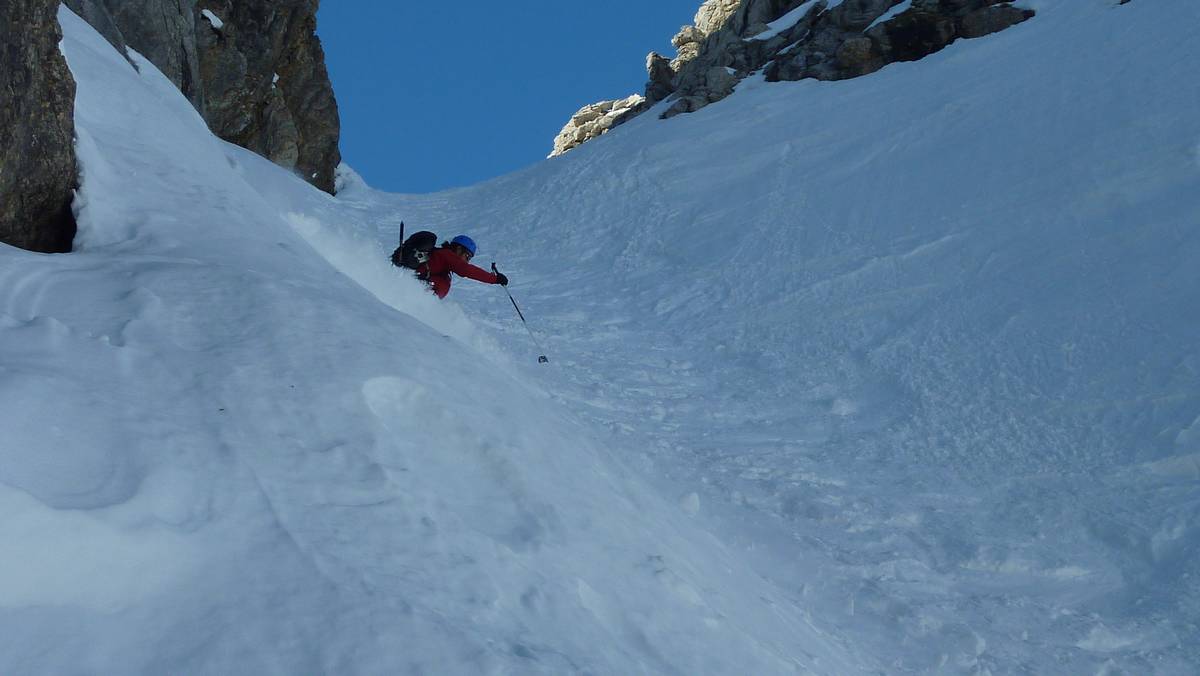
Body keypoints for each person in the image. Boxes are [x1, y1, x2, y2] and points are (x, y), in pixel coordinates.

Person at [417, 234, 508, 299]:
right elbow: (466, 270)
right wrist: (494, 279)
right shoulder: (447, 255)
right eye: (467, 256)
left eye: (469, 258)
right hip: (415, 281)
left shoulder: (444, 259)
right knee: (444, 282)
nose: (467, 261)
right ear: (459, 249)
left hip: (416, 283)